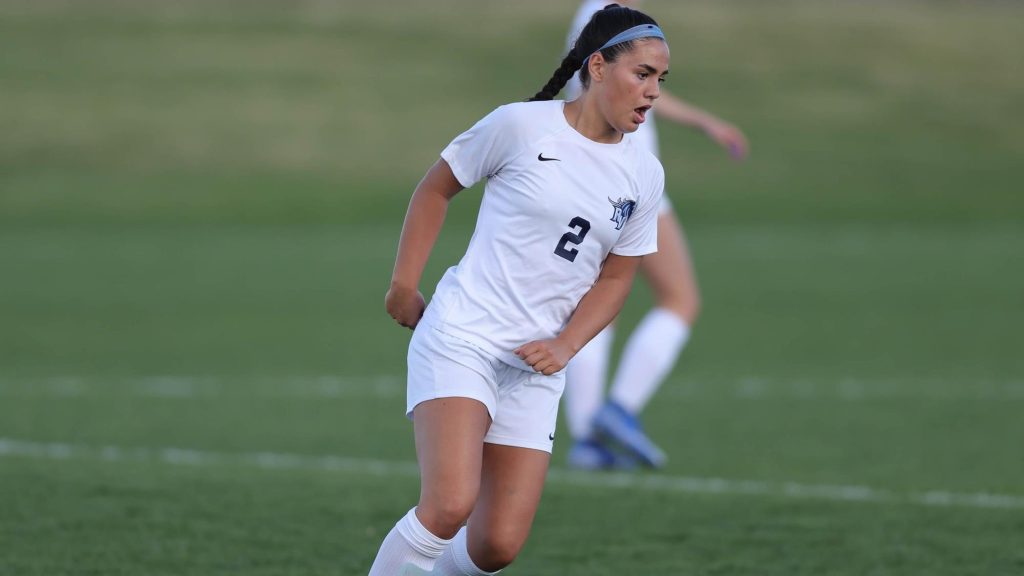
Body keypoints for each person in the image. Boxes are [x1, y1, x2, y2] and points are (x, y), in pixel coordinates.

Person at [368, 5, 669, 575]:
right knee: (449, 504)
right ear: (598, 67)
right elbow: (434, 191)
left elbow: (616, 278)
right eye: (643, 74)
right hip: (464, 335)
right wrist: (404, 284)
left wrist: (565, 347)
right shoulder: (520, 125)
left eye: (661, 79)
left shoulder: (644, 174)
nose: (654, 91)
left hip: (535, 365)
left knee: (496, 547)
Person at [562, 0, 749, 471]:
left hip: (591, 179)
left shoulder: (601, 16)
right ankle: (618, 410)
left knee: (599, 306)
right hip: (627, 180)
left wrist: (702, 121)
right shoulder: (611, 15)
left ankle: (588, 439)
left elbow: (633, 85)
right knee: (679, 299)